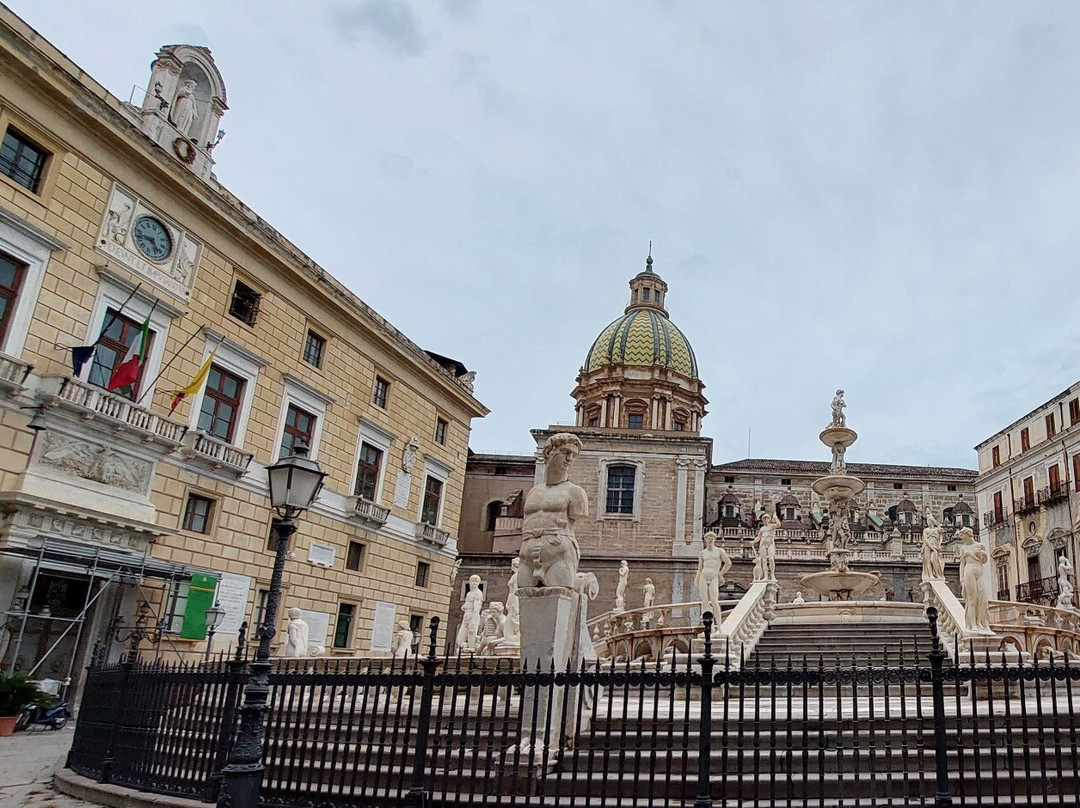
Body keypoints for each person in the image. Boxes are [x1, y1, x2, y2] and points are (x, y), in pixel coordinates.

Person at [517, 434, 589, 590]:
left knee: (559, 596)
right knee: (523, 595)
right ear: (549, 452)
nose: (569, 458)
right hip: (526, 553)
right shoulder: (533, 492)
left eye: (573, 455)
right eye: (565, 452)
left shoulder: (576, 493)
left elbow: (577, 514)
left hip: (559, 553)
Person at [957, 527, 990, 633]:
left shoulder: (980, 546)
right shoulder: (963, 548)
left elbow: (984, 561)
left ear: (968, 534)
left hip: (980, 572)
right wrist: (962, 580)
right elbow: (962, 564)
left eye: (962, 535)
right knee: (972, 600)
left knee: (983, 600)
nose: (961, 537)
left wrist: (983, 554)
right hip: (969, 572)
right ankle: (973, 625)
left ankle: (980, 622)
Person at [696, 531, 733, 624]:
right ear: (705, 540)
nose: (710, 540)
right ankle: (708, 625)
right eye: (708, 538)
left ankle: (719, 626)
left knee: (714, 601)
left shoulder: (720, 551)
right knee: (704, 601)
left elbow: (728, 563)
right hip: (703, 576)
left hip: (714, 576)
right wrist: (696, 579)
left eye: (712, 539)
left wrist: (721, 574)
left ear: (715, 540)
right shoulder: (702, 553)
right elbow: (699, 569)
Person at [455, 575, 485, 652]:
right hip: (466, 615)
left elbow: (477, 607)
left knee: (472, 632)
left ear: (478, 583)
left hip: (473, 615)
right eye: (472, 581)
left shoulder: (478, 593)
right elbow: (467, 603)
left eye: (476, 581)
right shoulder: (469, 593)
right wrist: (464, 606)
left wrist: (474, 619)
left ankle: (471, 648)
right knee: (461, 635)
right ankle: (462, 646)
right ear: (469, 582)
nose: (474, 583)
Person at [753, 514, 779, 582]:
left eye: (766, 518)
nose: (765, 520)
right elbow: (758, 537)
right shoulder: (762, 529)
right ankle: (766, 576)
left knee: (771, 559)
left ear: (769, 519)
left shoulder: (772, 526)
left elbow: (778, 525)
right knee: (764, 561)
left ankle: (772, 575)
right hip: (762, 544)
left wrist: (776, 518)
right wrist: (753, 542)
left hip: (770, 544)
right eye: (764, 518)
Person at [920, 513, 945, 582]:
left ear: (932, 521)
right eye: (927, 521)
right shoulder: (925, 530)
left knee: (933, 560)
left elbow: (941, 536)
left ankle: (937, 574)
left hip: (935, 546)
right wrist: (931, 547)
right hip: (927, 546)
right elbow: (925, 539)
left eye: (929, 521)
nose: (928, 522)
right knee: (928, 560)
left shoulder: (936, 530)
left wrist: (939, 545)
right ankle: (930, 575)